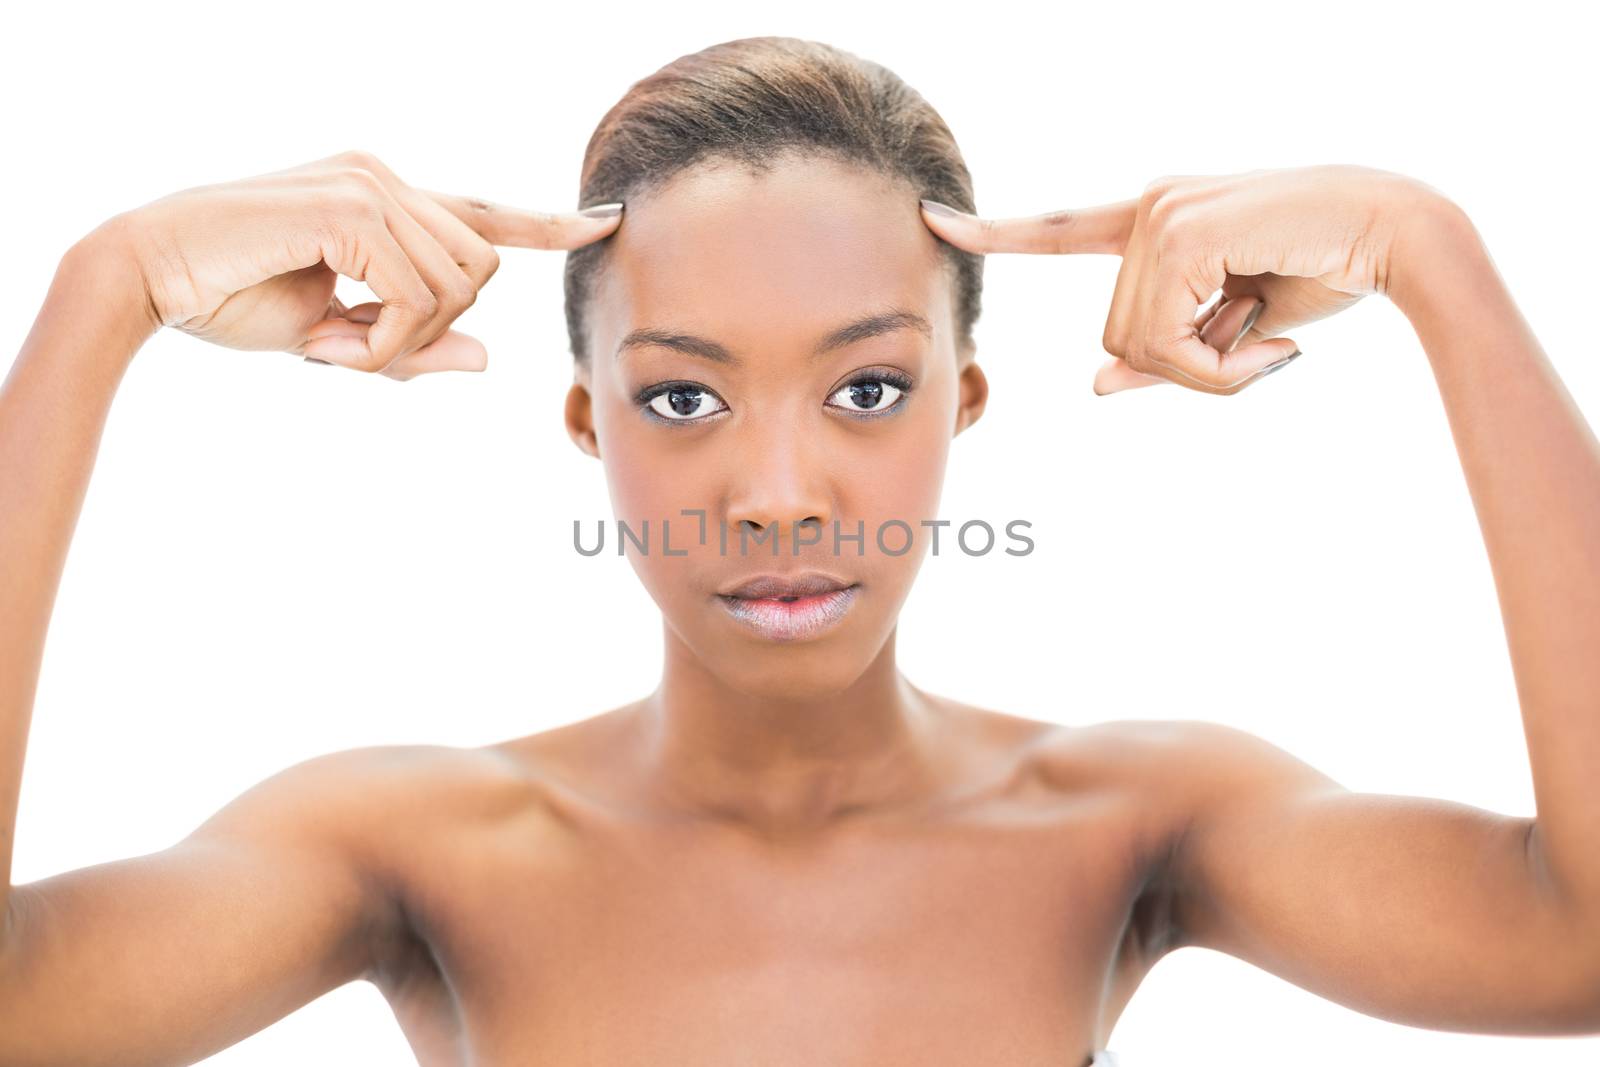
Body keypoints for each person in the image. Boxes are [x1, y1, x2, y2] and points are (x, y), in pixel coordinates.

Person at [2, 34, 1597, 1067]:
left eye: (868, 388)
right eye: (683, 394)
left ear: (963, 408)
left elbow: (1577, 947)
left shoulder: (1138, 823)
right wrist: (102, 296)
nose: (777, 492)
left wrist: (1430, 257)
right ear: (588, 430)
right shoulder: (412, 847)